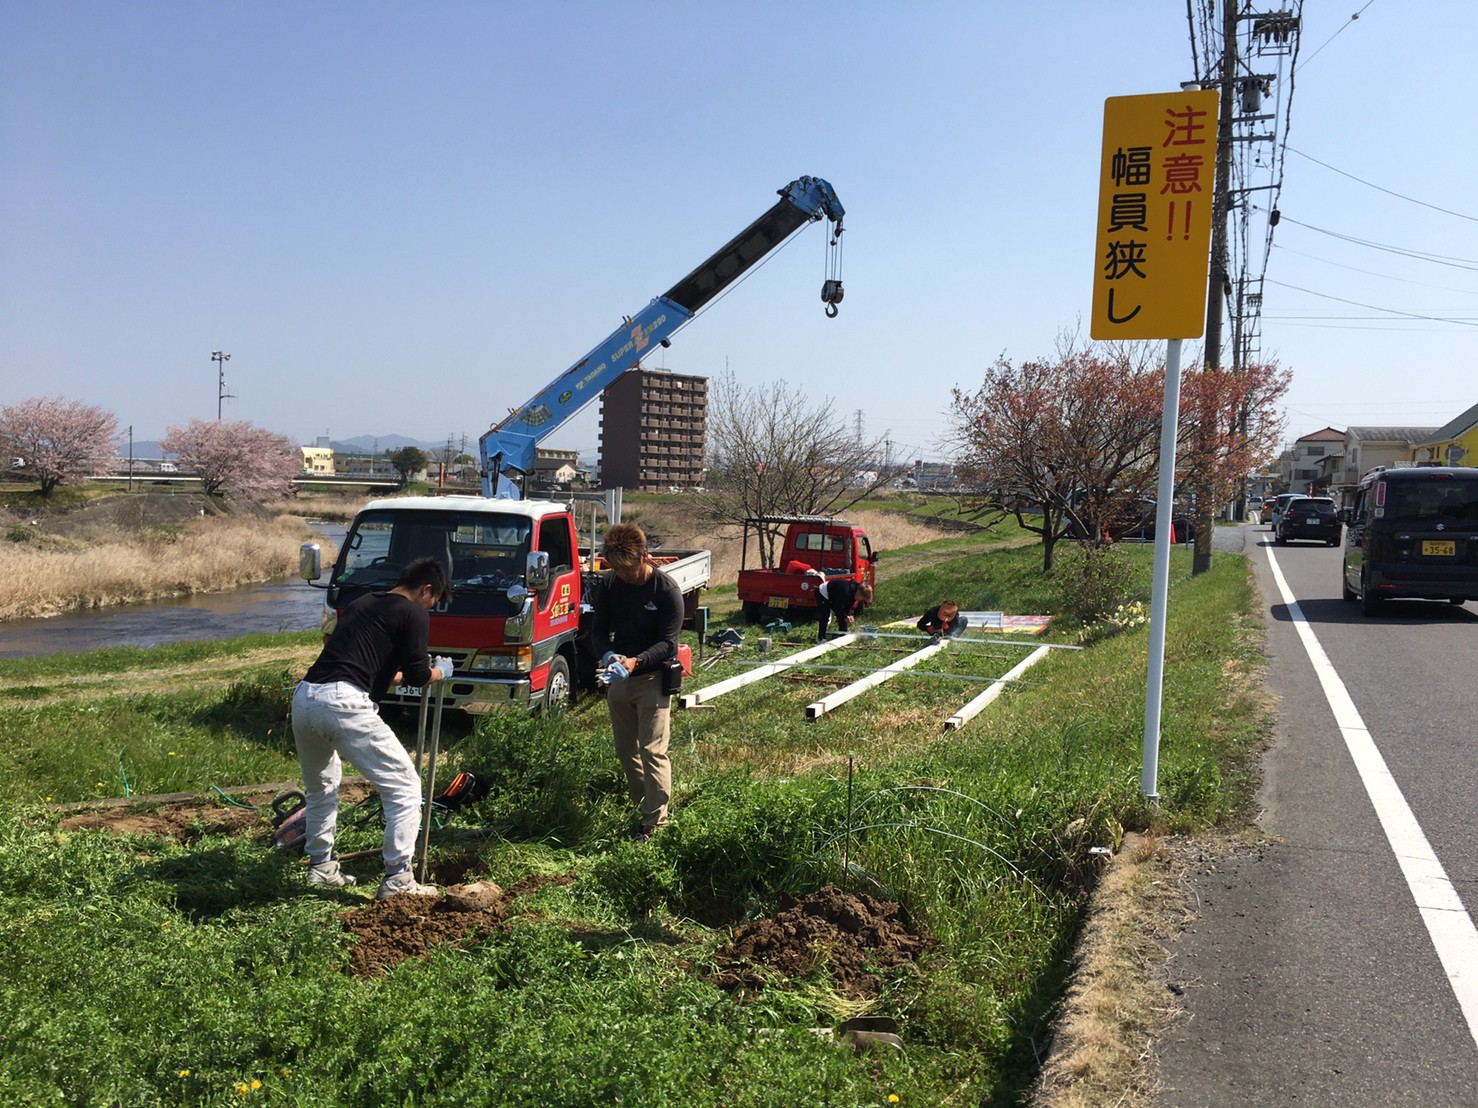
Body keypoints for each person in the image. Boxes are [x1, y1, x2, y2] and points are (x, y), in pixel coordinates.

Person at [291, 556, 454, 899]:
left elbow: (374, 671)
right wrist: (443, 671)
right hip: (342, 703)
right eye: (434, 600)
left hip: (306, 698)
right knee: (405, 786)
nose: (431, 608)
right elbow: (418, 676)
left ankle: (320, 866)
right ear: (426, 589)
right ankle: (399, 879)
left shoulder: (364, 603)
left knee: (322, 786)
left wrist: (412, 674)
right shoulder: (413, 613)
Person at [590, 522, 684, 841]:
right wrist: (608, 656)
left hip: (653, 678)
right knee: (625, 749)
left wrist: (637, 661)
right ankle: (641, 804)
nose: (624, 576)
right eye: (617, 570)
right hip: (619, 676)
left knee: (653, 749)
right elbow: (598, 630)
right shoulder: (608, 585)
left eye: (628, 570)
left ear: (644, 556)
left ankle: (655, 824)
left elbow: (668, 643)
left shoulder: (666, 591)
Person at [815, 575, 874, 642]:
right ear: (859, 593)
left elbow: (847, 607)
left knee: (843, 617)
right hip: (823, 592)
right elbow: (837, 607)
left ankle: (843, 636)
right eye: (862, 599)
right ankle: (821, 638)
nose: (860, 600)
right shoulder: (846, 591)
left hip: (835, 597)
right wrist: (844, 617)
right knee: (825, 616)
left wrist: (849, 616)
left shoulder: (854, 593)